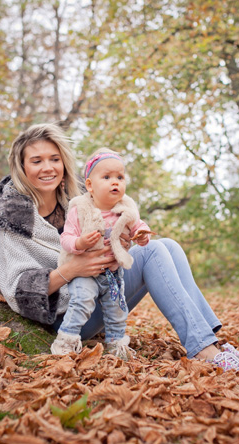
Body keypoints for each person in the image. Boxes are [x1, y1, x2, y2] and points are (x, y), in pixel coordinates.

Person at [0, 123, 239, 371]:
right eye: (36, 160)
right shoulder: (15, 218)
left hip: (102, 290)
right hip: (66, 315)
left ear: (64, 163)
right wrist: (72, 269)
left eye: (54, 159)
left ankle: (212, 341)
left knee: (168, 245)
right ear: (21, 166)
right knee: (153, 252)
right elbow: (17, 290)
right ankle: (203, 350)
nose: (48, 168)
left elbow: (105, 239)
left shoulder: (77, 204)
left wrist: (120, 241)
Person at [51, 148, 152, 360]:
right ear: (90, 185)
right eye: (106, 177)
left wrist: (142, 235)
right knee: (82, 301)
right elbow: (66, 237)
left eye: (120, 177)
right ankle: (65, 342)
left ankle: (117, 346)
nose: (115, 182)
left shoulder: (126, 207)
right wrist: (79, 242)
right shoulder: (80, 208)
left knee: (116, 310)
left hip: (112, 274)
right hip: (84, 273)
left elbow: (138, 226)